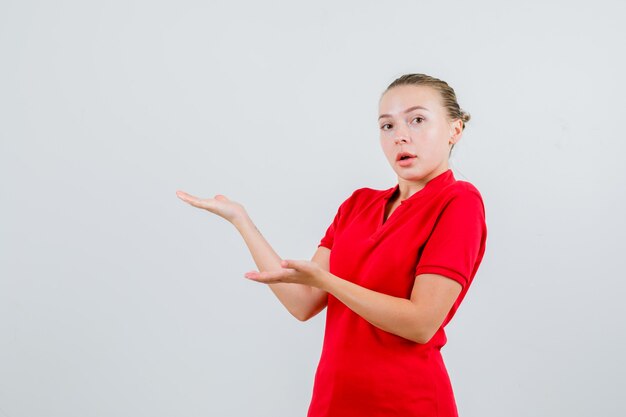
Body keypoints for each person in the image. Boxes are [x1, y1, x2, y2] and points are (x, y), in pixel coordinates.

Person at [176, 73, 487, 417]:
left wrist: (328, 282)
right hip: (333, 402)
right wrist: (241, 220)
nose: (400, 136)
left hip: (408, 404)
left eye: (417, 120)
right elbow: (303, 302)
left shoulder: (459, 201)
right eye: (387, 126)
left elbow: (421, 323)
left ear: (454, 130)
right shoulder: (358, 204)